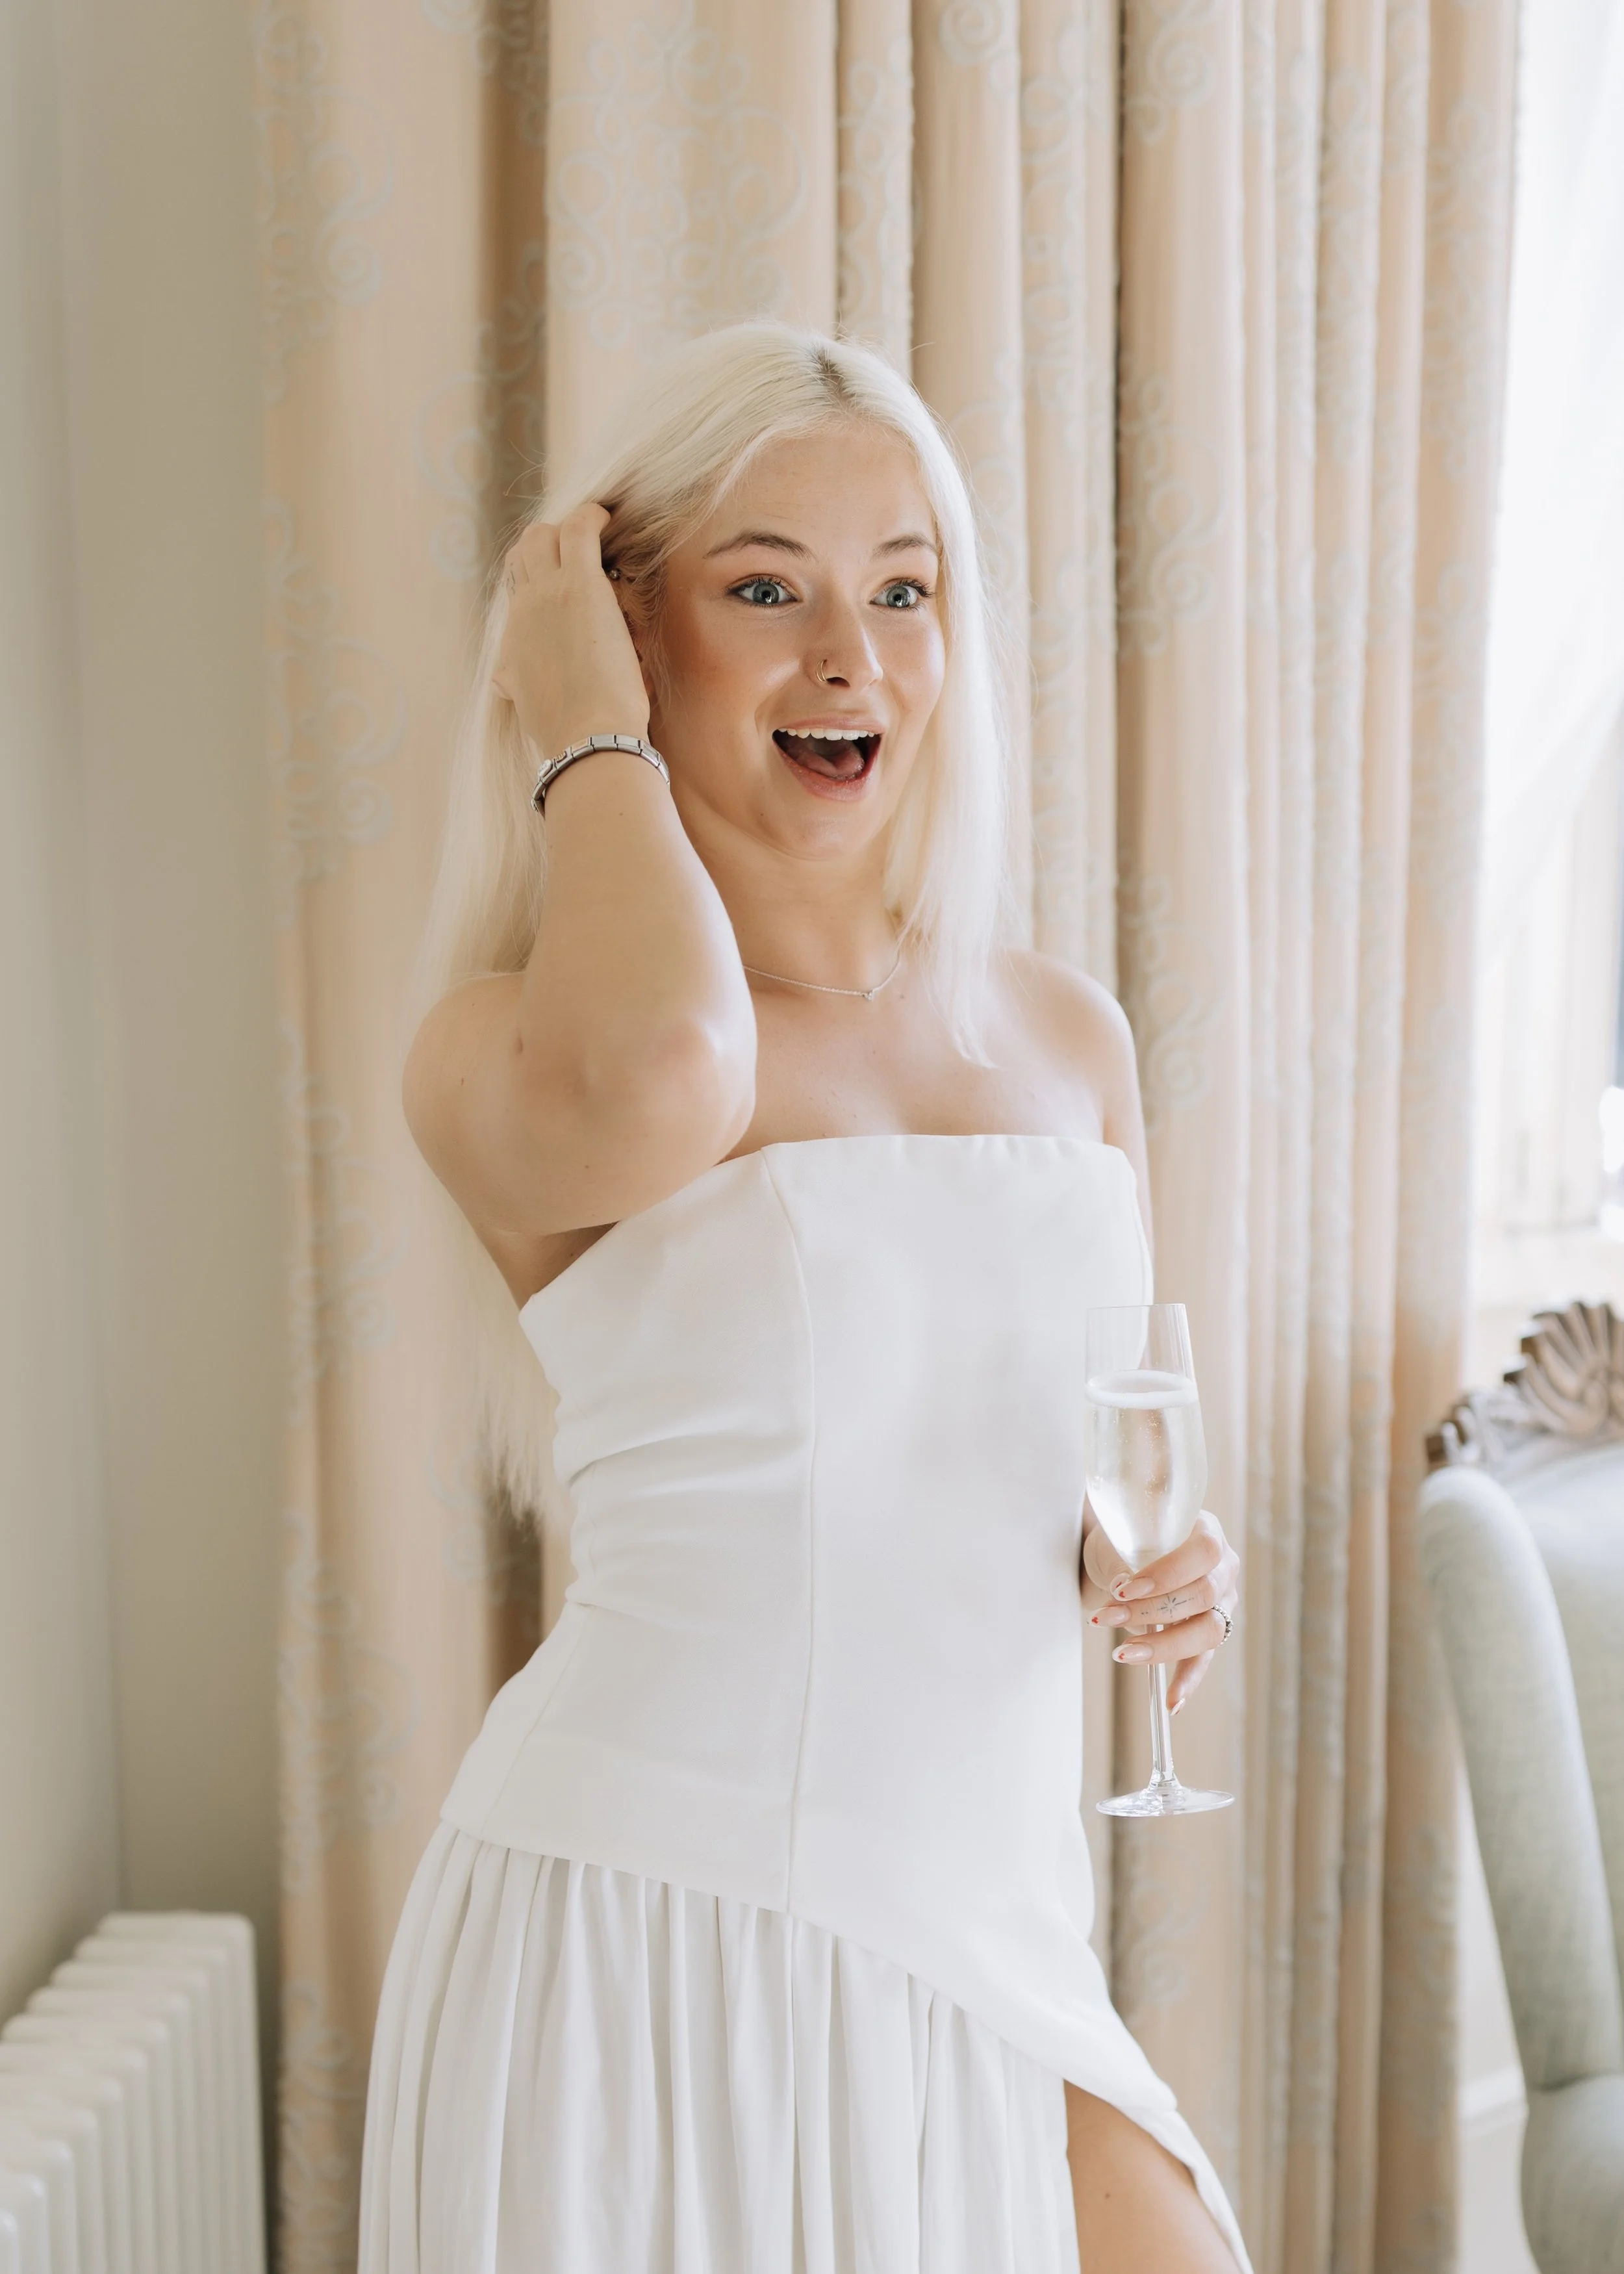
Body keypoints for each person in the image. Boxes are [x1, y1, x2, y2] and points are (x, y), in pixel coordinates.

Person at [357, 324, 1250, 2274]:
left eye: (904, 591)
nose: (852, 656)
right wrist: (577, 731)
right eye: (765, 588)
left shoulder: (1062, 1036)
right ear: (625, 632)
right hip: (648, 1941)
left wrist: (1156, 1574)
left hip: (990, 1936)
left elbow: (1053, 1461)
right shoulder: (507, 1047)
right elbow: (670, 1077)